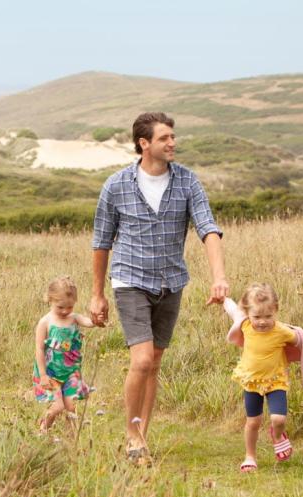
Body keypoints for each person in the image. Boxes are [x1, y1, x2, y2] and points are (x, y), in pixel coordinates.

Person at [90, 112, 228, 465]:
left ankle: (141, 438)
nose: (172, 143)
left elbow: (208, 229)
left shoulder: (187, 182)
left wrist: (218, 276)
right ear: (144, 143)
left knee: (155, 364)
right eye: (165, 137)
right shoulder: (116, 185)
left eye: (173, 137)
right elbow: (101, 242)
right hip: (130, 280)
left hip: (171, 281)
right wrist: (97, 293)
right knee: (142, 359)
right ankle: (132, 434)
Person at [221, 283, 303, 472]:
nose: (262, 321)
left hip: (276, 382)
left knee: (279, 419)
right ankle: (250, 456)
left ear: (276, 311)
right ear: (249, 313)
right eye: (257, 316)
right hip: (251, 382)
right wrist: (223, 299)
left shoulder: (282, 331)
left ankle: (277, 434)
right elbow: (233, 310)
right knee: (253, 422)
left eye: (268, 316)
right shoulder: (246, 325)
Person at [33, 276, 98, 436]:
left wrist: (98, 320)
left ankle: (71, 437)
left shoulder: (74, 318)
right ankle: (43, 429)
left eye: (69, 307)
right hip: (51, 373)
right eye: (60, 307)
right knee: (58, 406)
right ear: (50, 300)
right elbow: (39, 349)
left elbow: (89, 322)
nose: (65, 311)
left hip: (70, 372)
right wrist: (42, 375)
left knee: (70, 405)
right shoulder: (45, 322)